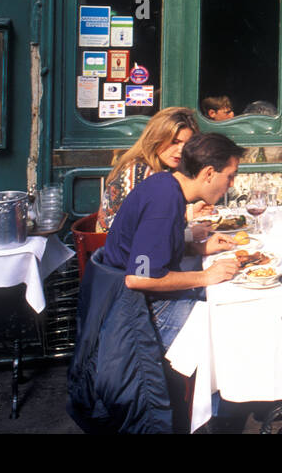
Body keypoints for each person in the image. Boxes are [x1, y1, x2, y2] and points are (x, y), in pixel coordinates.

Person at [68, 133, 245, 433]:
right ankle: (213, 418)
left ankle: (213, 409)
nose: (232, 184)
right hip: (129, 312)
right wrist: (206, 275)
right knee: (223, 322)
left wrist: (199, 249)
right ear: (208, 174)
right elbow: (140, 276)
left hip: (113, 300)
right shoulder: (166, 200)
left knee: (218, 301)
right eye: (230, 177)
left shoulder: (165, 184)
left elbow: (146, 252)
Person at [98, 106, 199, 233]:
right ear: (157, 138)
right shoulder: (139, 171)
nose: (181, 150)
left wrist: (188, 213)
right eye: (174, 142)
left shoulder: (159, 169)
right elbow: (145, 228)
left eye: (187, 144)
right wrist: (190, 236)